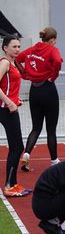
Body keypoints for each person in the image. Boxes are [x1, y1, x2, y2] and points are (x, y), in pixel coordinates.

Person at [17, 27, 63, 171]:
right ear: (52, 40)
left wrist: (25, 73)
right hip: (48, 89)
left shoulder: (32, 49)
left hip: (34, 91)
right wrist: (53, 75)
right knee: (51, 130)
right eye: (55, 40)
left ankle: (26, 154)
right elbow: (57, 61)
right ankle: (54, 160)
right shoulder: (52, 49)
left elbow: (18, 59)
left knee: (36, 128)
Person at [0, 35, 28, 197]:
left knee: (17, 147)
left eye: (19, 46)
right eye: (14, 46)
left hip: (10, 107)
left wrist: (16, 99)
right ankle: (9, 185)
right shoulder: (4, 63)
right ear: (5, 48)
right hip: (6, 109)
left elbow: (8, 86)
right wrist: (9, 102)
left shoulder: (12, 63)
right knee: (17, 147)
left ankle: (13, 183)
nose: (17, 49)